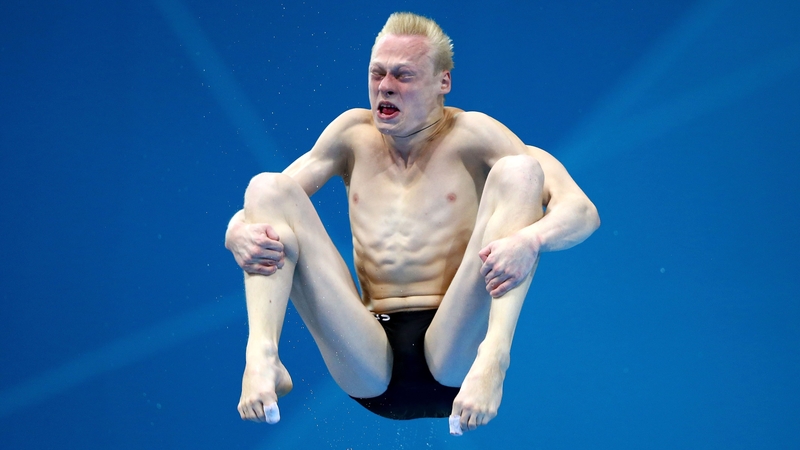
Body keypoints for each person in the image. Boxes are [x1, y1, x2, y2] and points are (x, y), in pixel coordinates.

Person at [225, 12, 599, 434]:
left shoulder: (478, 136)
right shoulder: (351, 134)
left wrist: (531, 240)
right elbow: (266, 205)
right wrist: (235, 231)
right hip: (367, 358)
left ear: (443, 82)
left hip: (456, 350)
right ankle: (261, 355)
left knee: (521, 173)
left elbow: (581, 213)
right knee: (265, 187)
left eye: (403, 75)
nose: (385, 86)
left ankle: (495, 354)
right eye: (377, 73)